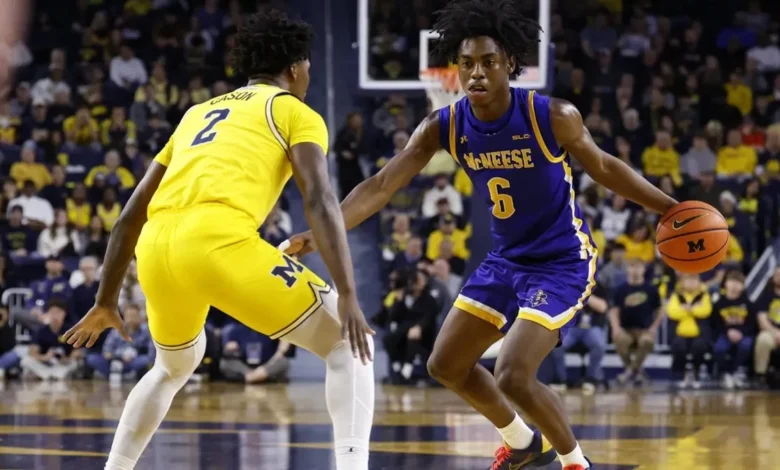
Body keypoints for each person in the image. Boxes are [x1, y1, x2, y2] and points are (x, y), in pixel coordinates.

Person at [283, 1, 677, 468]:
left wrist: (670, 208)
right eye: (467, 63)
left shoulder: (551, 115)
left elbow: (605, 167)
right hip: (506, 260)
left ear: (509, 63)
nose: (476, 73)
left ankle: (576, 463)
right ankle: (522, 442)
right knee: (445, 364)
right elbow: (382, 185)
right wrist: (321, 231)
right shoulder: (445, 125)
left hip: (561, 262)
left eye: (488, 62)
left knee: (513, 374)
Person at [63, 10, 375, 470]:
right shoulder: (293, 110)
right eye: (307, 65)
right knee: (349, 345)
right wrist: (347, 292)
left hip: (157, 248)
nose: (308, 73)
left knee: (172, 367)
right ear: (294, 68)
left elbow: (129, 217)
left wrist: (106, 300)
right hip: (217, 241)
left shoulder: (197, 113)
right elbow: (319, 198)